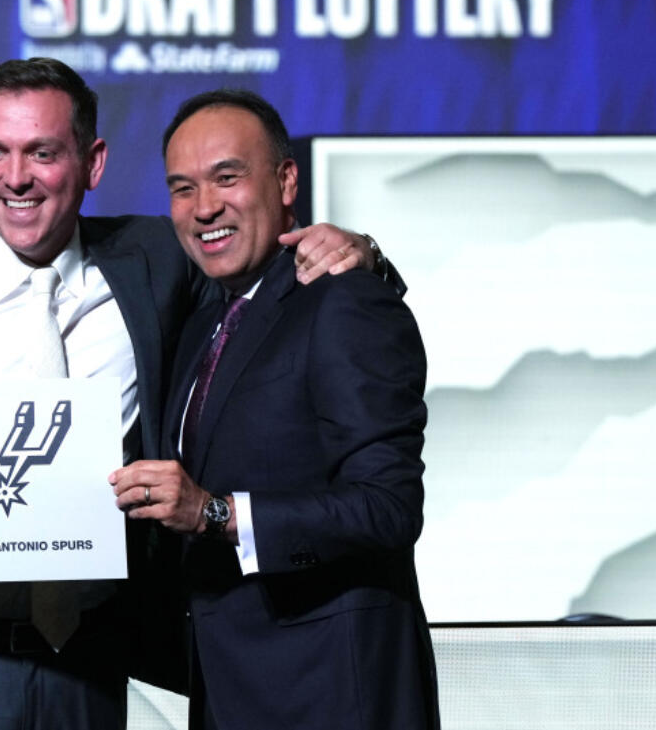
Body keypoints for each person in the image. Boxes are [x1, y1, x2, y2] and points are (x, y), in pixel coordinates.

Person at [0, 59, 389, 730]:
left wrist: (358, 251)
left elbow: (257, 260)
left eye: (42, 152)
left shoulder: (160, 259)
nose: (15, 177)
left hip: (90, 667)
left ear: (93, 161)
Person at [111, 89, 440, 730]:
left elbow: (390, 509)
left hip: (336, 697)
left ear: (287, 179)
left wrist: (214, 512)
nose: (204, 206)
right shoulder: (203, 317)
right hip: (225, 692)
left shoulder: (343, 301)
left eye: (226, 177)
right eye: (182, 188)